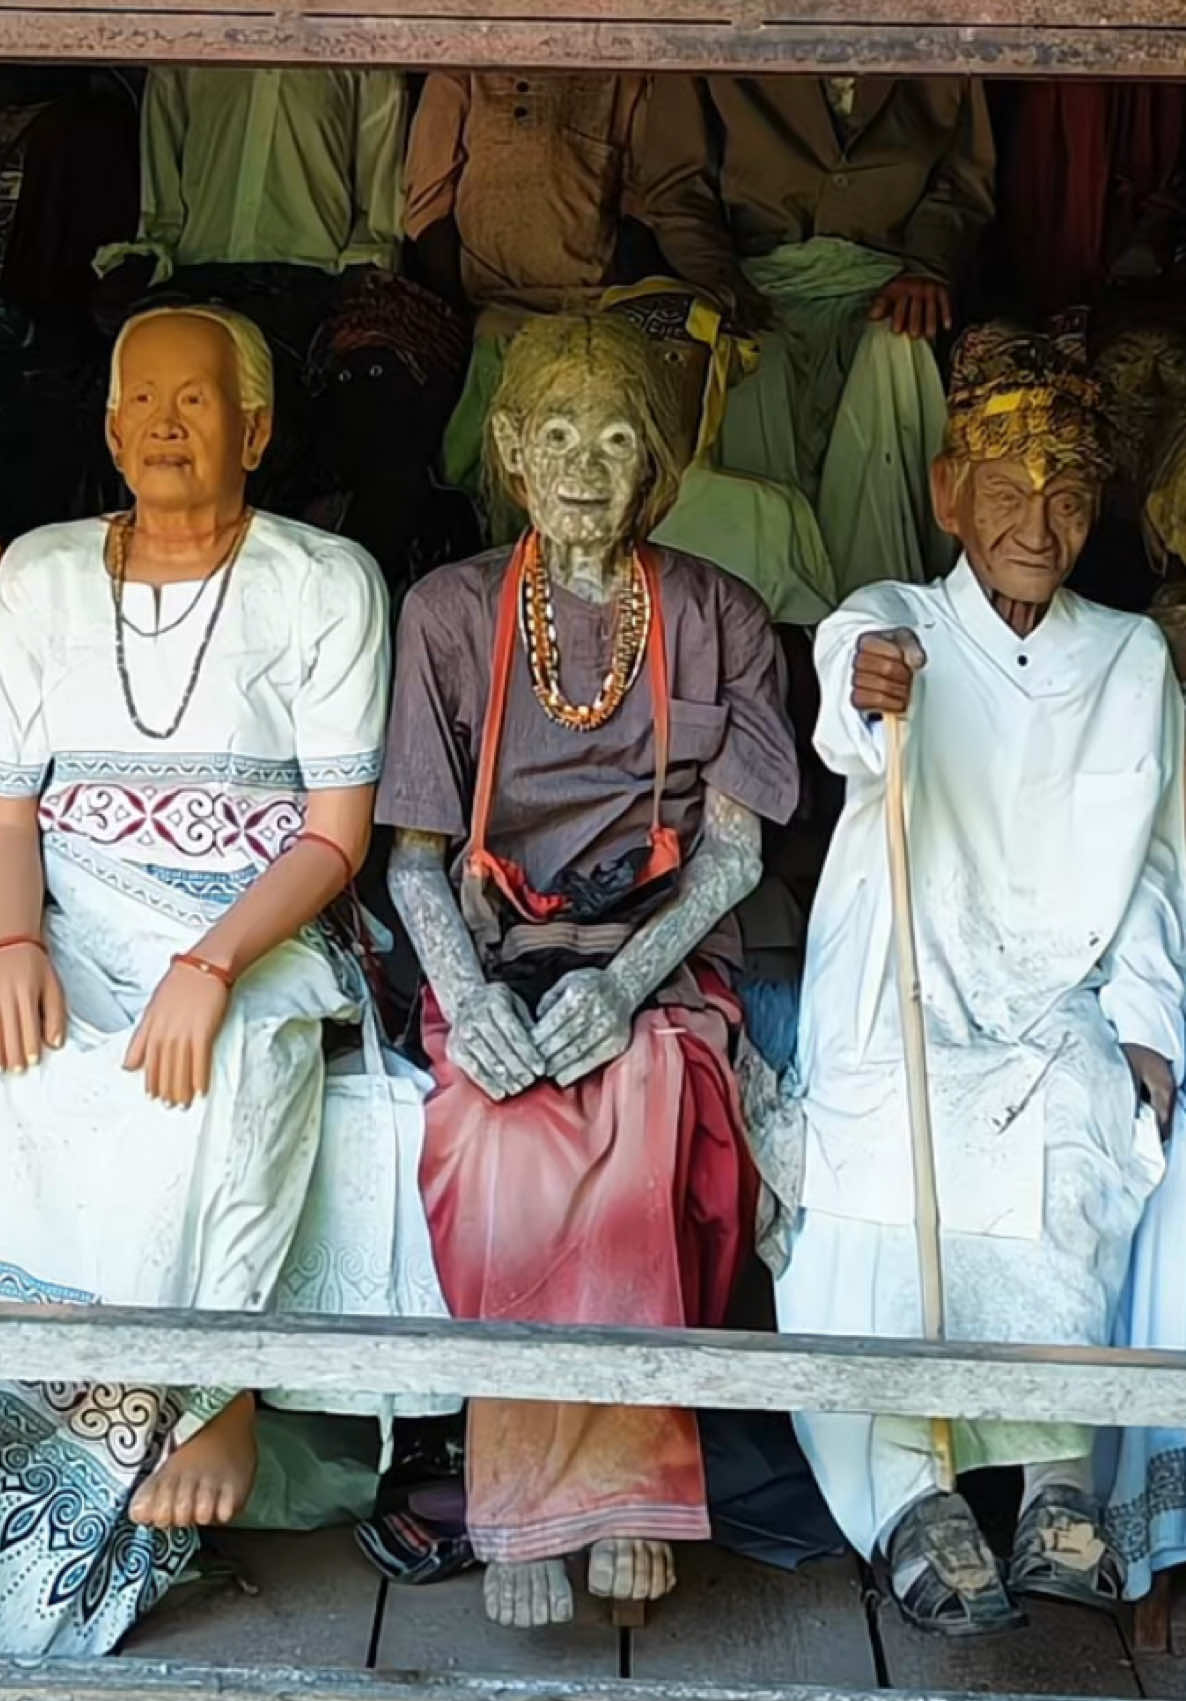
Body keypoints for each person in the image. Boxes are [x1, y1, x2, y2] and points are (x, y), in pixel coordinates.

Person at [377, 313, 799, 1628]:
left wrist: (622, 990)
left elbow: (731, 857)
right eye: (553, 436)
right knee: (495, 1137)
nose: (581, 466)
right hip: (496, 955)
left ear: (659, 469)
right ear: (506, 452)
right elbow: (409, 862)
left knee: (645, 1121)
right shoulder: (448, 611)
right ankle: (516, 1506)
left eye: (617, 440)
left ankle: (624, 1494)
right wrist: (469, 1000)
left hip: (658, 966)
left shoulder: (718, 613)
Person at [775, 321, 1186, 1635]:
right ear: (948, 492)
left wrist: (1145, 1030)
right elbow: (847, 677)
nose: (1038, 517)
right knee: (896, 1139)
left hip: (1057, 995)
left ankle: (1057, 1476)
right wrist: (868, 684)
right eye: (1006, 487)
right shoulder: (895, 617)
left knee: (1078, 1124)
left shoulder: (1129, 658)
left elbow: (1156, 869)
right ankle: (908, 1493)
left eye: (1067, 490)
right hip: (901, 977)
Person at [0, 304, 388, 1654]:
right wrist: (15, 943)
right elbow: (7, 806)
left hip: (255, 920)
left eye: (199, 400)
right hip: (70, 914)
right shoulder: (36, 575)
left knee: (231, 1061)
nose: (167, 422)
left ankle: (212, 1397)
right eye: (143, 402)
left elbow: (336, 835)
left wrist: (215, 958)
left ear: (259, 429)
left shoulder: (324, 579)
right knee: (20, 1068)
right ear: (107, 431)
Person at [637, 75, 996, 600]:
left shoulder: (938, 32)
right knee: (755, 367)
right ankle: (760, 629)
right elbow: (677, 187)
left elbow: (965, 179)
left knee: (897, 346)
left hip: (884, 282)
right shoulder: (715, 30)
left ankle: (880, 614)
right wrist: (720, 283)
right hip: (753, 281)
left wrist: (928, 265)